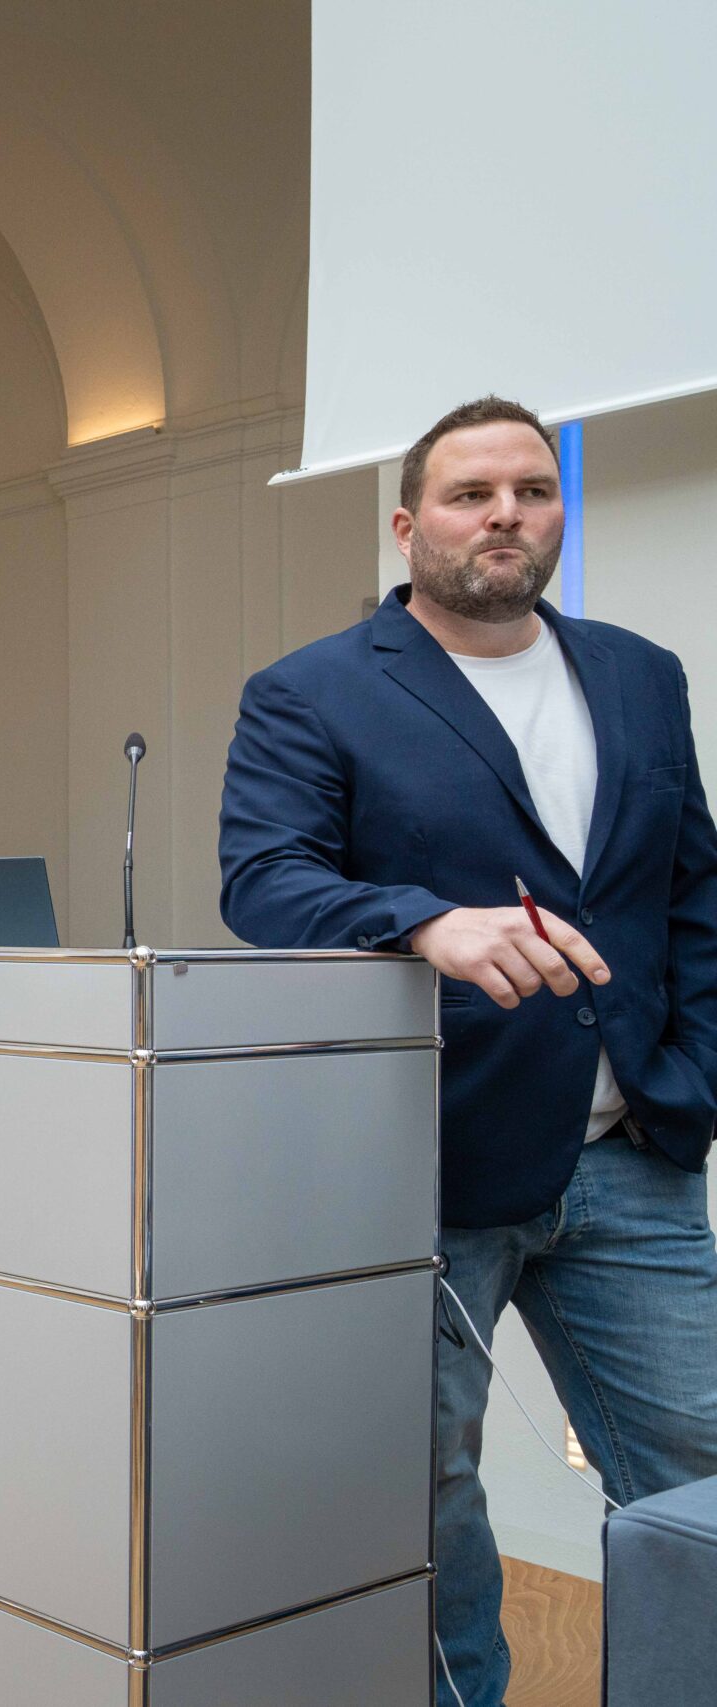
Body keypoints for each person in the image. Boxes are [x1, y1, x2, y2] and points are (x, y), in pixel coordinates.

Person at [218, 395, 717, 1706]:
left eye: (533, 492)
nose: (506, 515)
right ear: (408, 526)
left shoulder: (642, 675)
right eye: (471, 493)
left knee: (699, 1480)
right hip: (431, 1157)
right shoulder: (312, 691)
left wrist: (697, 1077)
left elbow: (691, 894)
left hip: (634, 1158)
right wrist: (423, 921)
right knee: (425, 1491)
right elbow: (263, 881)